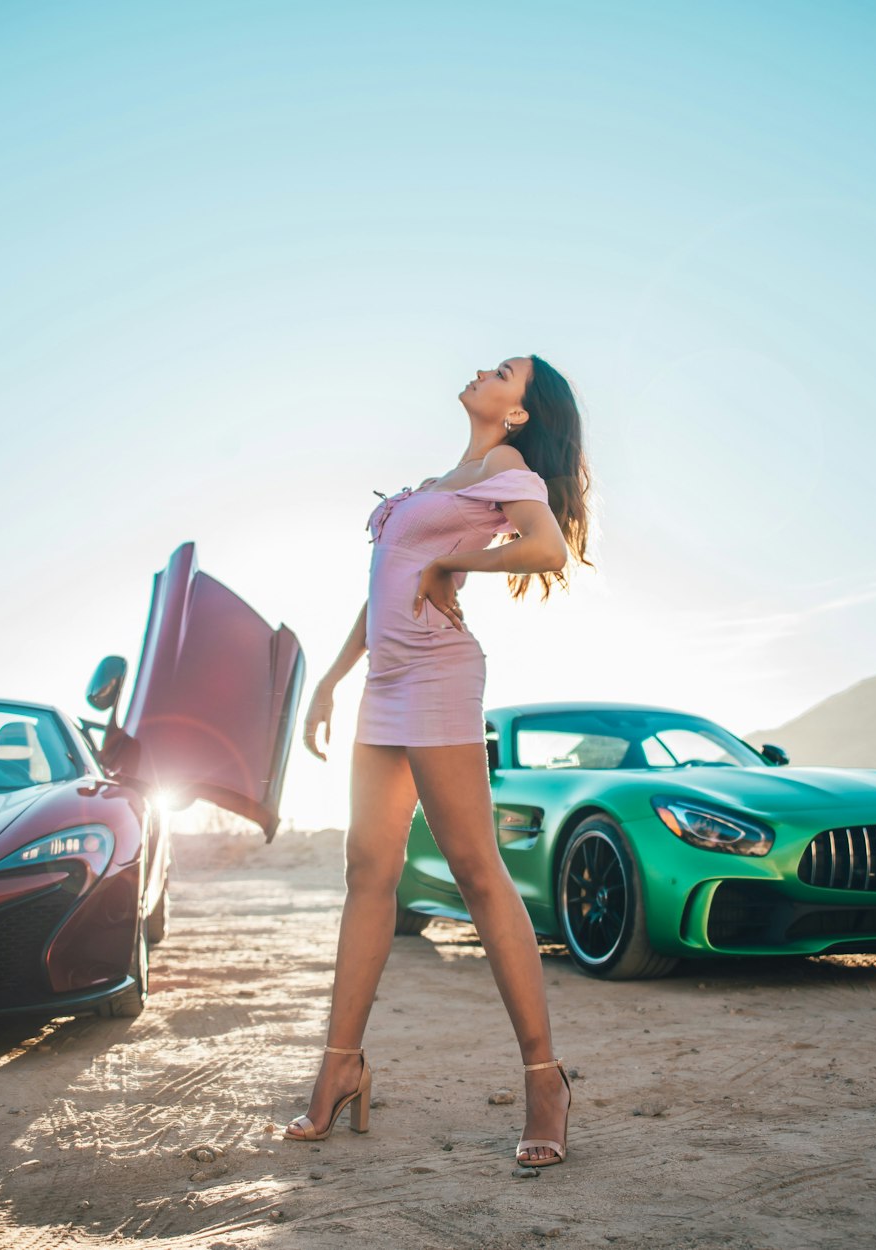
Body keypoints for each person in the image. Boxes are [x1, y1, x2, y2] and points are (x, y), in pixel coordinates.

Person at [283, 354, 594, 1167]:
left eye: (505, 372)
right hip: (383, 682)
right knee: (367, 871)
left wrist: (458, 561)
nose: (484, 370)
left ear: (519, 413)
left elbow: (546, 549)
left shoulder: (505, 465)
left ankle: (544, 1080)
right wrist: (331, 678)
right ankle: (340, 1069)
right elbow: (386, 576)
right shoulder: (440, 477)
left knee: (475, 868)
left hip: (438, 670)